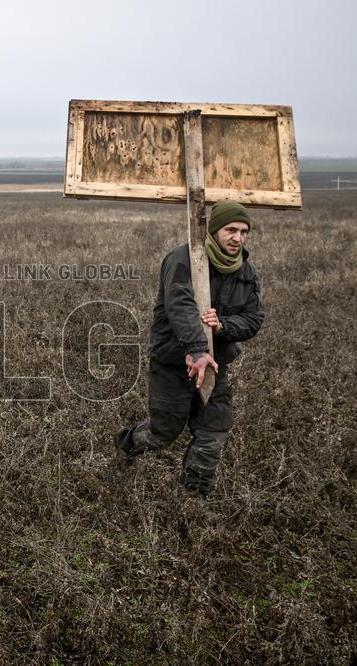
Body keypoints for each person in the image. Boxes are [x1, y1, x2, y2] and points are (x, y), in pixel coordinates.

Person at [115, 200, 265, 497]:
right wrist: (197, 349)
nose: (238, 238)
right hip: (173, 362)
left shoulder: (247, 272)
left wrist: (223, 325)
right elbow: (179, 307)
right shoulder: (182, 258)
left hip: (215, 365)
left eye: (244, 231)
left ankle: (192, 498)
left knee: (214, 430)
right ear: (213, 229)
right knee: (163, 433)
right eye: (231, 230)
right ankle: (127, 446)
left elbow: (254, 318)